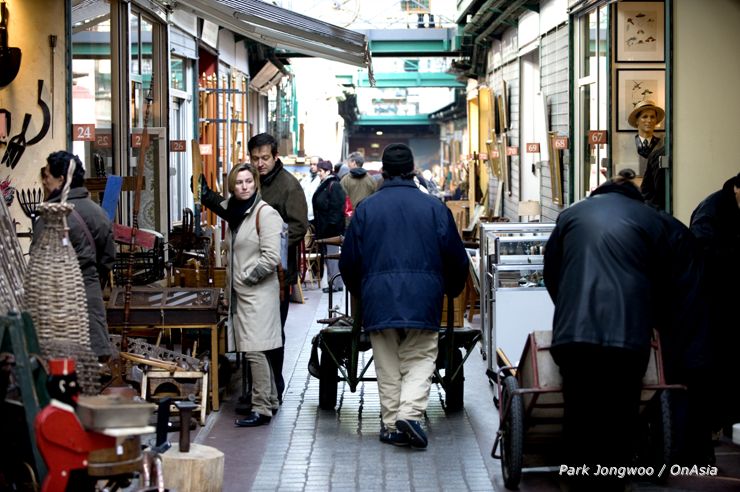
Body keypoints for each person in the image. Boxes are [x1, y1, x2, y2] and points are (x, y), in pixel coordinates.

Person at [543, 171, 671, 490]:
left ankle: (578, 478)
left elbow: (552, 271)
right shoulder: (651, 219)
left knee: (579, 409)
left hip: (574, 335)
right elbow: (664, 278)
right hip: (628, 336)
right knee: (621, 411)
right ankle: (612, 481)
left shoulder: (571, 214)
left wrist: (569, 306)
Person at [339, 143, 468, 449]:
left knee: (387, 363)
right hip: (424, 298)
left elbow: (349, 261)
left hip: (378, 299)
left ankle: (390, 424)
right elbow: (456, 257)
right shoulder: (435, 208)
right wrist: (451, 288)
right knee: (421, 356)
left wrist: (362, 290)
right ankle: (409, 414)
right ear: (413, 171)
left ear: (382, 171)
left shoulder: (366, 209)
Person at [200, 133, 308, 404]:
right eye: (255, 158)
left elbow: (298, 226)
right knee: (249, 339)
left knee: (270, 338)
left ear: (275, 157)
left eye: (265, 158)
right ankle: (255, 392)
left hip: (277, 275)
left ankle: (273, 392)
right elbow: (232, 211)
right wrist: (205, 195)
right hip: (246, 275)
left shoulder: (288, 186)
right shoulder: (251, 183)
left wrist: (268, 244)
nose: (259, 163)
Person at [210, 163, 282, 427]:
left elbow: (271, 257)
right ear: (232, 186)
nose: (244, 187)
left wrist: (247, 278)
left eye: (248, 181)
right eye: (239, 182)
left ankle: (262, 408)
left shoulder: (265, 213)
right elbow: (232, 255)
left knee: (254, 350)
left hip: (258, 293)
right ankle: (270, 400)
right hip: (242, 294)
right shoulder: (237, 215)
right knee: (256, 349)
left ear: (256, 184)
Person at [35, 151, 115, 361]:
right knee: (90, 373)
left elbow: (39, 262)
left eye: (47, 176)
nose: (44, 182)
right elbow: (107, 259)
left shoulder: (51, 217)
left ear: (61, 180)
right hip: (90, 303)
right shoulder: (97, 213)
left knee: (61, 372)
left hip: (58, 309)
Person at [690, 172, 740, 433]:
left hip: (728, 298)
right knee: (723, 362)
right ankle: (722, 424)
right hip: (717, 300)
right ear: (737, 190)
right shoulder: (712, 210)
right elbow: (702, 254)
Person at [312, 160, 346, 293]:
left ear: (327, 171)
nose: (318, 173)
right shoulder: (325, 184)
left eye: (321, 171)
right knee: (329, 257)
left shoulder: (333, 185)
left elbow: (337, 208)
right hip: (325, 227)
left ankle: (336, 284)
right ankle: (333, 283)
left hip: (331, 229)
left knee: (332, 257)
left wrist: (331, 225)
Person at [628, 99, 666, 209]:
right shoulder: (627, 146)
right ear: (637, 120)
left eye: (652, 117)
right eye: (644, 117)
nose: (649, 120)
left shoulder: (663, 146)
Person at [340, 151, 377, 223]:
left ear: (354, 162)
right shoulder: (371, 179)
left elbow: (341, 200)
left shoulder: (345, 180)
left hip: (350, 219)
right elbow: (375, 200)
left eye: (349, 162)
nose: (348, 165)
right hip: (367, 217)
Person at [300, 156, 321, 223]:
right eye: (311, 164)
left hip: (316, 217)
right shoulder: (306, 179)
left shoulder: (321, 180)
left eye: (314, 164)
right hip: (305, 215)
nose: (312, 166)